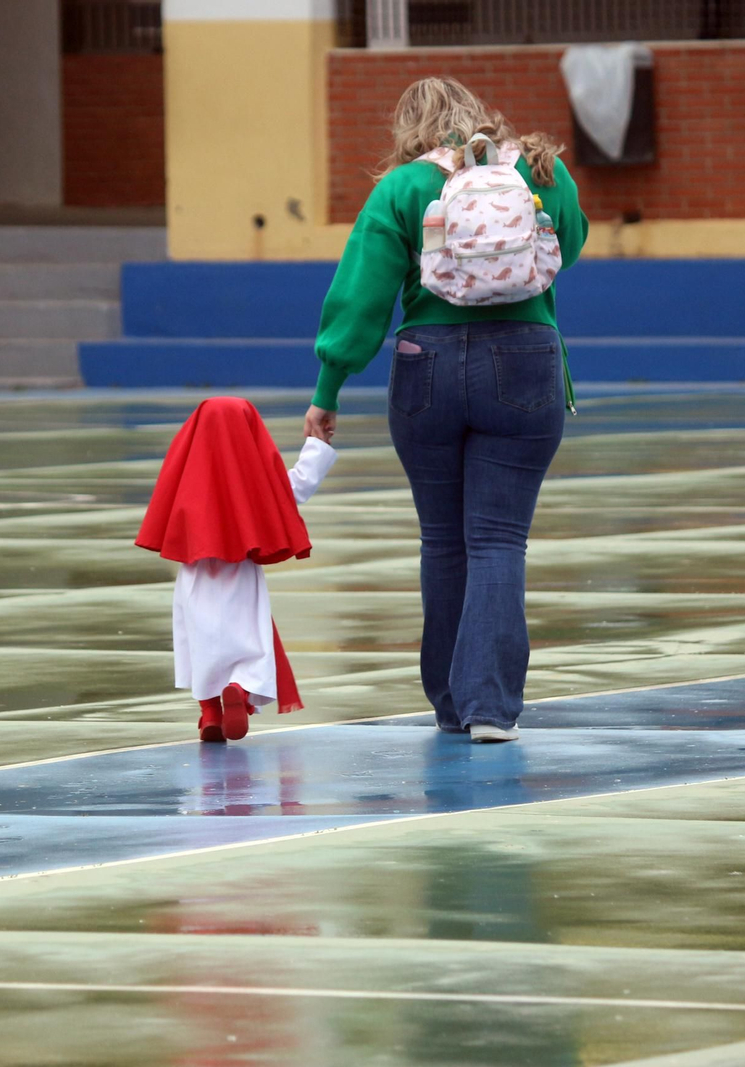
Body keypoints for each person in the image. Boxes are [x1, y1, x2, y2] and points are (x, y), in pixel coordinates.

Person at [304, 77, 588, 743]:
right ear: (477, 114)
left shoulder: (402, 189)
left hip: (424, 366)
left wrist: (328, 387)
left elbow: (361, 297)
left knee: (442, 539)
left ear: (410, 131)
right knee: (497, 538)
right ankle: (491, 706)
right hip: (523, 360)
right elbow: (565, 252)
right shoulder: (541, 171)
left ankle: (450, 704)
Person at [137, 397, 337, 743]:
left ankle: (209, 711)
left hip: (194, 572)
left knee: (198, 642)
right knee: (249, 641)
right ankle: (240, 692)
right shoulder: (256, 480)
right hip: (241, 571)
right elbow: (297, 487)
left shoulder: (186, 471)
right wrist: (317, 444)